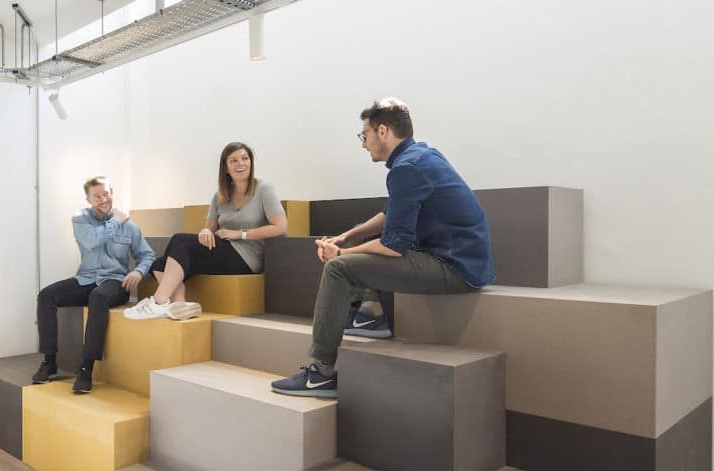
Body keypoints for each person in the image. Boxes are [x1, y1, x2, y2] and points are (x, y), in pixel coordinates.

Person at [272, 98, 494, 398]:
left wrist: (341, 254)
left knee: (339, 269)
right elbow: (390, 216)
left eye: (365, 135)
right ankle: (369, 313)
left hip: (456, 266)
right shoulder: (420, 156)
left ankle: (322, 372)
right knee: (360, 249)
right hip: (461, 257)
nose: (364, 144)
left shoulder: (407, 168)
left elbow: (393, 245)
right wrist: (345, 236)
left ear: (384, 131)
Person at [124, 141, 287, 319]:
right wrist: (205, 232)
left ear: (251, 162)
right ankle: (180, 306)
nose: (240, 164)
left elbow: (281, 226)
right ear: (225, 167)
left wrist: (240, 234)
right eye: (233, 160)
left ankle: (159, 302)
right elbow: (209, 228)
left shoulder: (264, 189)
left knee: (179, 240)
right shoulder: (220, 195)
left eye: (244, 158)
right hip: (223, 250)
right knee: (159, 263)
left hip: (247, 257)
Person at [32, 176, 154, 394]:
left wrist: (138, 271)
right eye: (97, 196)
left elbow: (147, 255)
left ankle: (86, 367)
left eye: (106, 193)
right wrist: (116, 220)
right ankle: (49, 361)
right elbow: (91, 241)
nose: (103, 199)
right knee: (46, 295)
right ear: (88, 199)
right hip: (86, 278)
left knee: (98, 297)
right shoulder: (80, 219)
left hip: (115, 283)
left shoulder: (131, 228)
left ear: (112, 193)